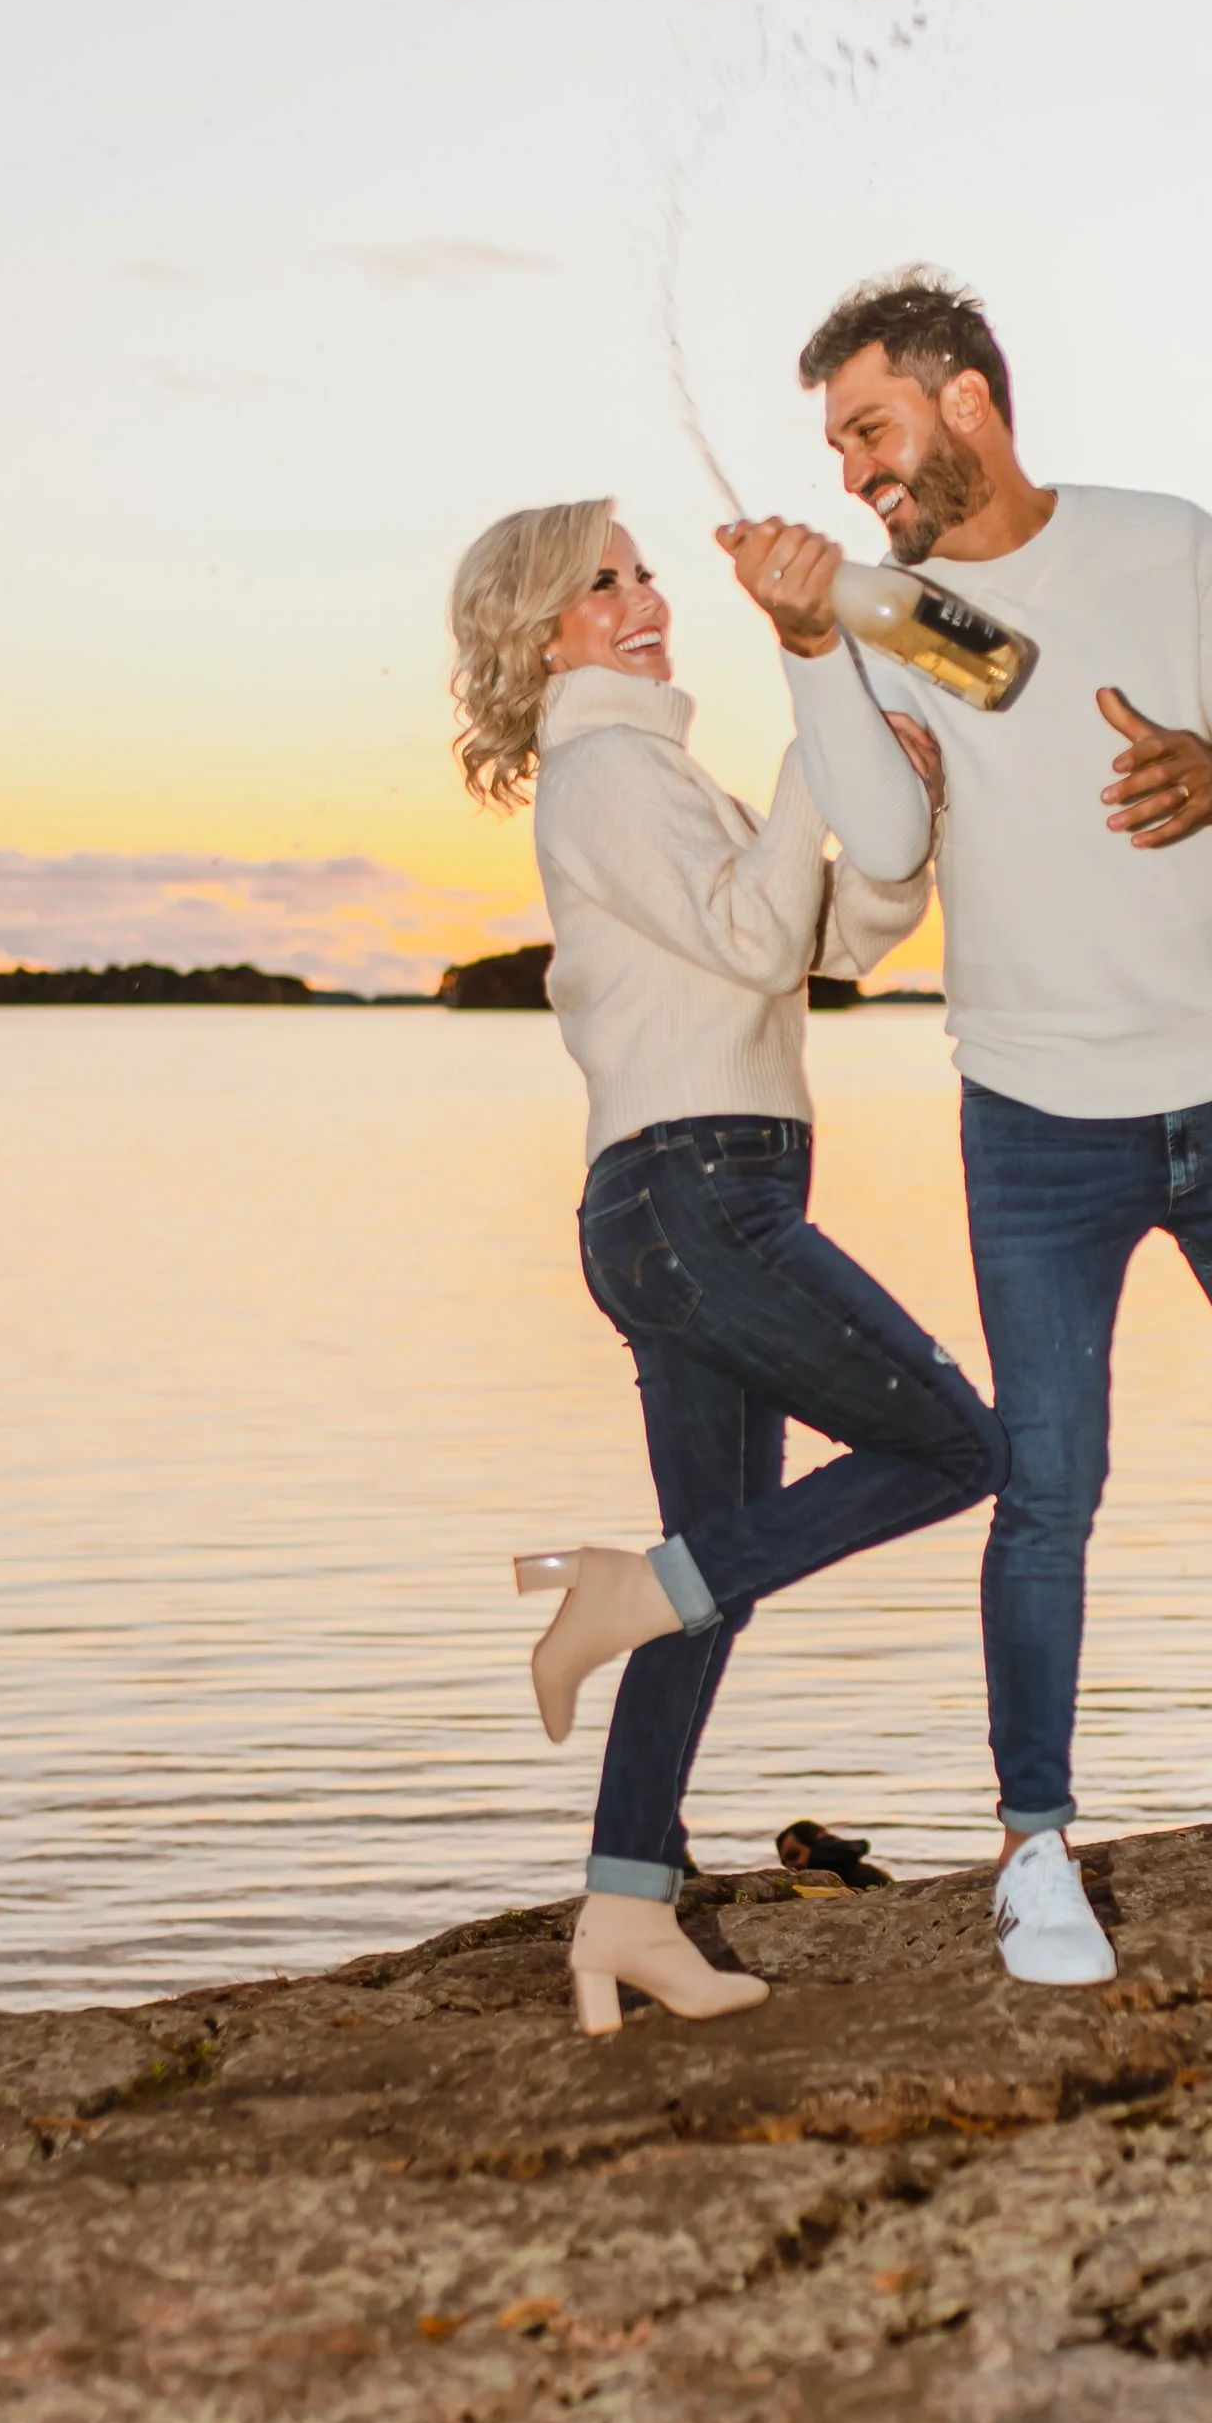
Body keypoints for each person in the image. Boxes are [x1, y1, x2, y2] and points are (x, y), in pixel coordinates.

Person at [721, 269, 1212, 1986]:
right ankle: (1032, 1845)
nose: (856, 471)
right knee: (1052, 1482)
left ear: (965, 399)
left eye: (872, 427)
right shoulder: (907, 613)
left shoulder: (1170, 547)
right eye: (839, 444)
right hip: (1035, 1117)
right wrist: (812, 646)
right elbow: (878, 844)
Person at [448, 497, 1009, 2038]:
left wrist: (896, 818)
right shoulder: (610, 767)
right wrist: (811, 758)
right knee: (956, 1444)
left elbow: (820, 942)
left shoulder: (645, 767)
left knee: (708, 1571)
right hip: (701, 1199)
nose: (646, 599)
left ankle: (627, 1903)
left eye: (641, 573)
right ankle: (639, 1590)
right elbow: (767, 946)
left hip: (683, 1198)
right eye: (600, 584)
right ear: (535, 634)